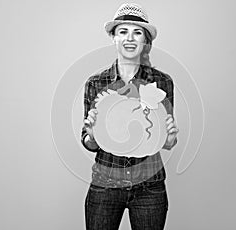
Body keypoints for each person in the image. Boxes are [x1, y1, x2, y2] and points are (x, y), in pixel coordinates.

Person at [81, 3, 179, 230]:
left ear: (145, 41)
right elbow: (88, 141)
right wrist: (92, 137)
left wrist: (170, 139)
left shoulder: (162, 82)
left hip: (149, 186)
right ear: (113, 37)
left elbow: (163, 139)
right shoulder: (96, 83)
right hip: (105, 184)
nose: (130, 38)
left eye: (137, 32)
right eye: (123, 31)